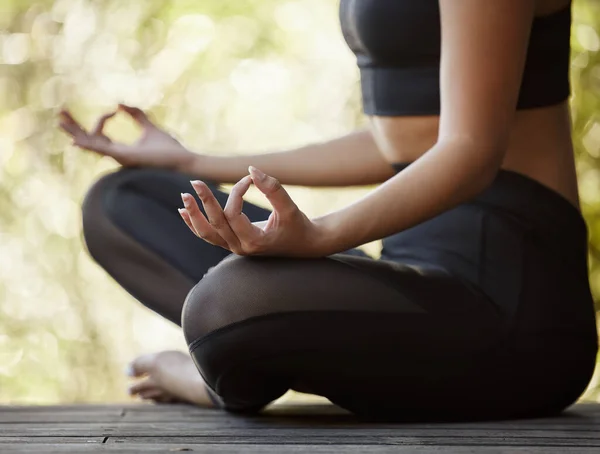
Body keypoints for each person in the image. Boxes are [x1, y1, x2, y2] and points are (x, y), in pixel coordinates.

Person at [59, 0, 598, 421]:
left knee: (226, 301)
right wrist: (191, 159)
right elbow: (397, 146)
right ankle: (252, 351)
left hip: (514, 303)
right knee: (121, 201)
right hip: (414, 274)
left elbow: (471, 151)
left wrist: (319, 238)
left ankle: (224, 374)